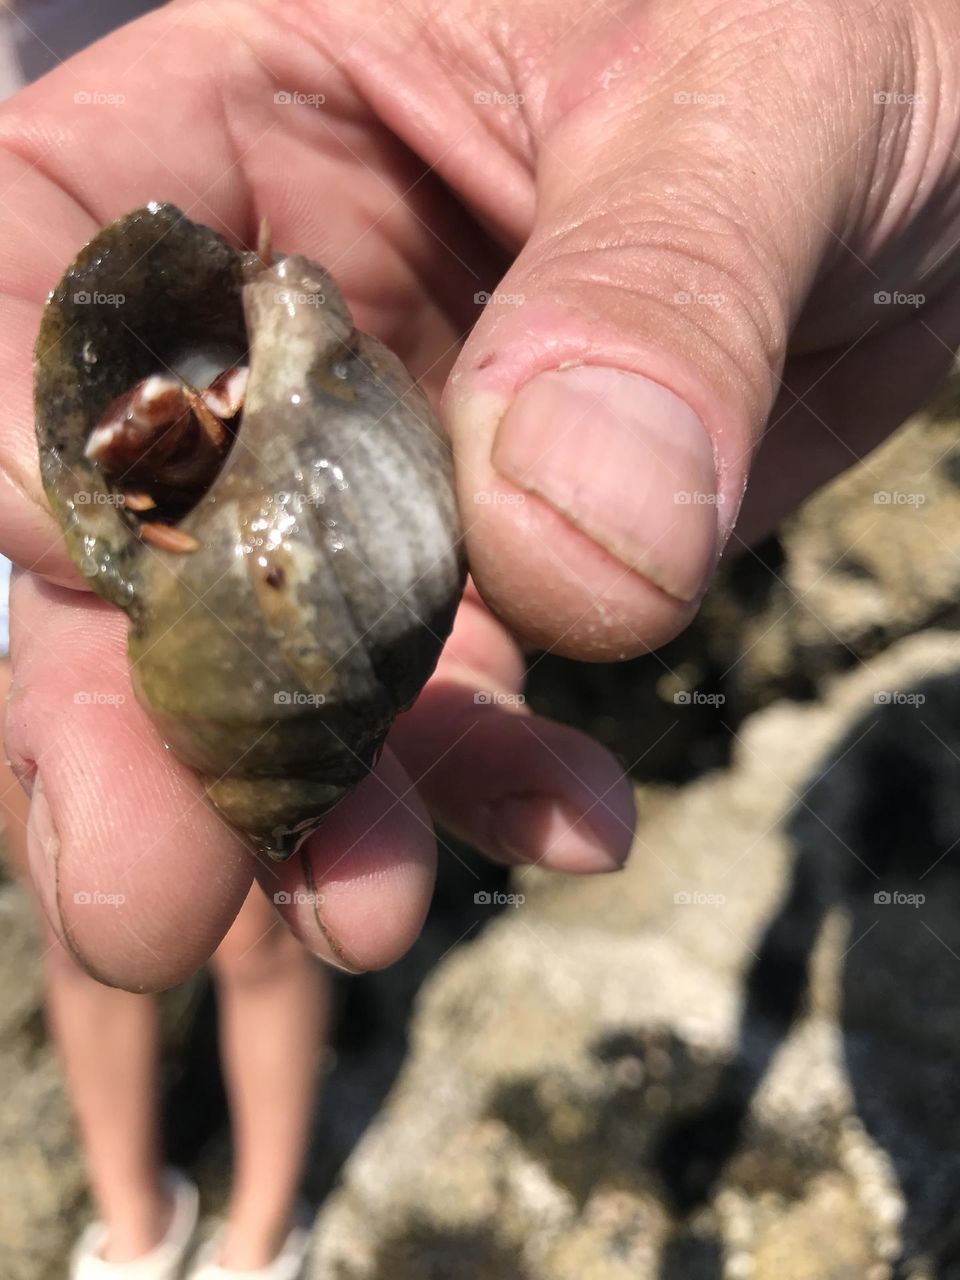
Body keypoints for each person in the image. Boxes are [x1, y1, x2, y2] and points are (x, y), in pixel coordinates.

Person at [1, 0, 957, 1270]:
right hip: (199, 626)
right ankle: (136, 1217)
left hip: (271, 644)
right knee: (89, 904)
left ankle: (259, 1225)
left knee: (246, 932)